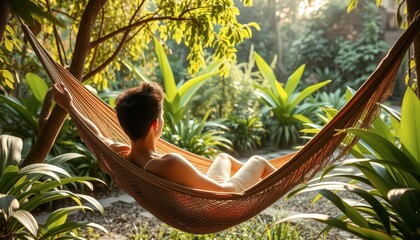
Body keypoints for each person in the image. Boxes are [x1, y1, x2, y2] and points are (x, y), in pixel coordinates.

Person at [53, 82, 275, 193]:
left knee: (224, 157)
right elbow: (223, 194)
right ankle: (294, 183)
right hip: (221, 202)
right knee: (259, 161)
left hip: (208, 192)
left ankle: (264, 177)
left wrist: (70, 106)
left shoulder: (119, 157)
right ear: (155, 124)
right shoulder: (170, 163)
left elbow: (94, 134)